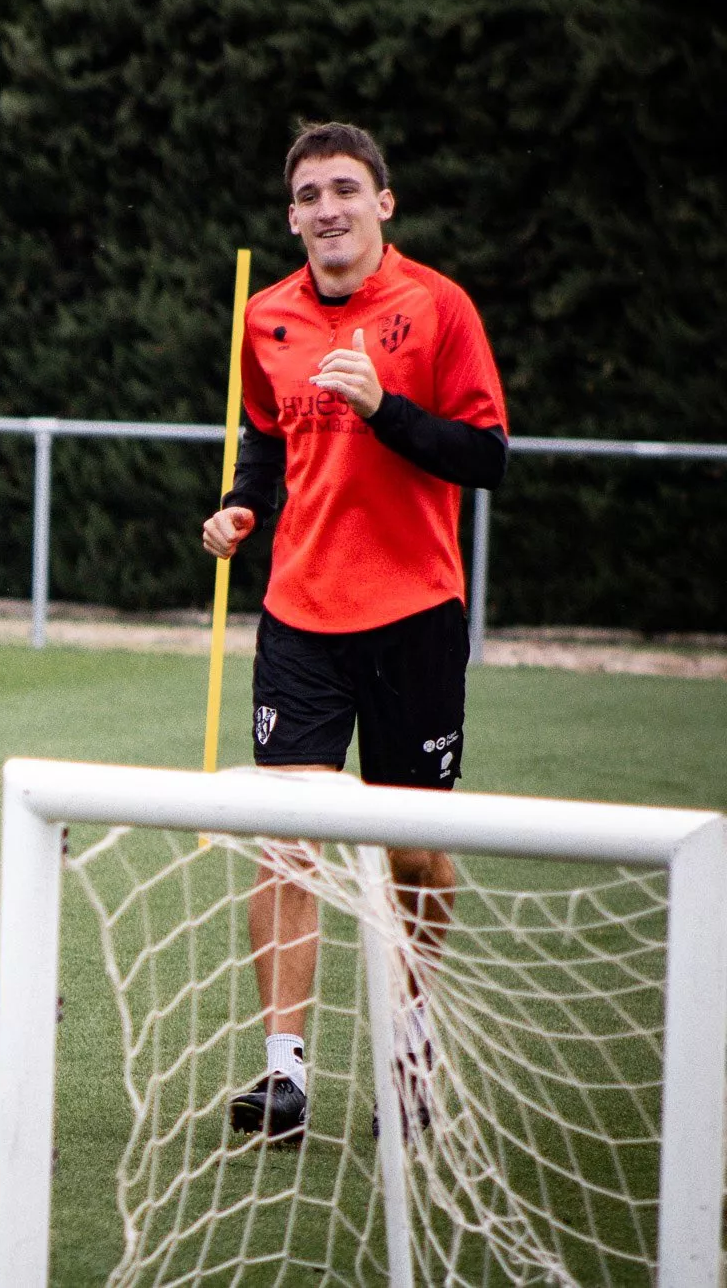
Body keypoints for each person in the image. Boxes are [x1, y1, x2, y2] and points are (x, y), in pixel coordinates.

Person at [202, 122, 509, 1142]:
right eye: (306, 194)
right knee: (284, 843)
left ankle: (409, 1043)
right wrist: (243, 508)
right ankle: (281, 1073)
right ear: (288, 216)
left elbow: (484, 456)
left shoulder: (436, 307)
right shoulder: (267, 316)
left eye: (344, 188)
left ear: (382, 203)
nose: (324, 207)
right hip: (298, 618)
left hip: (414, 617)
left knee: (411, 855)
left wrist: (383, 409)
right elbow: (264, 437)